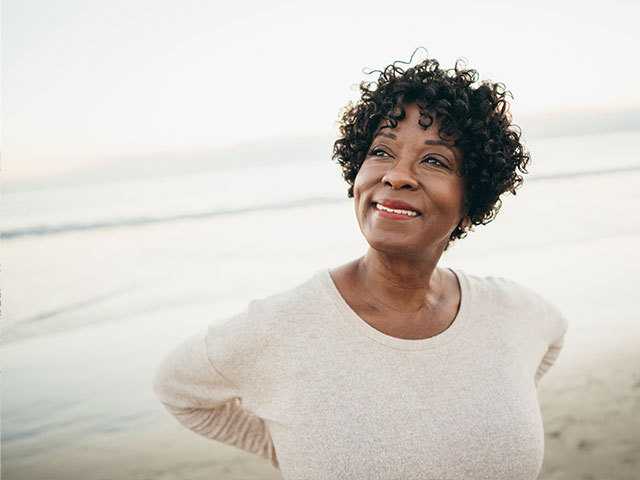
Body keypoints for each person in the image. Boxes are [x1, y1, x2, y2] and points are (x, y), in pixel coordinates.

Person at [152, 53, 568, 480]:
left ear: (471, 203)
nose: (397, 175)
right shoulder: (285, 325)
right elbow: (179, 388)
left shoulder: (513, 311)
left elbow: (553, 335)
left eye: (434, 160)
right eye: (382, 151)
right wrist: (285, 449)